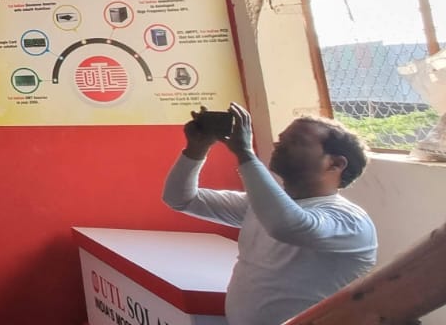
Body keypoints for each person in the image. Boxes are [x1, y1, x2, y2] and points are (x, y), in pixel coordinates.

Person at [162, 103, 377, 325]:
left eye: (296, 141)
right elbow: (180, 198)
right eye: (281, 139)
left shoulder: (350, 220)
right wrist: (196, 150)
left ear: (336, 163)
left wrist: (245, 153)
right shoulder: (261, 206)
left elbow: (286, 225)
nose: (278, 145)